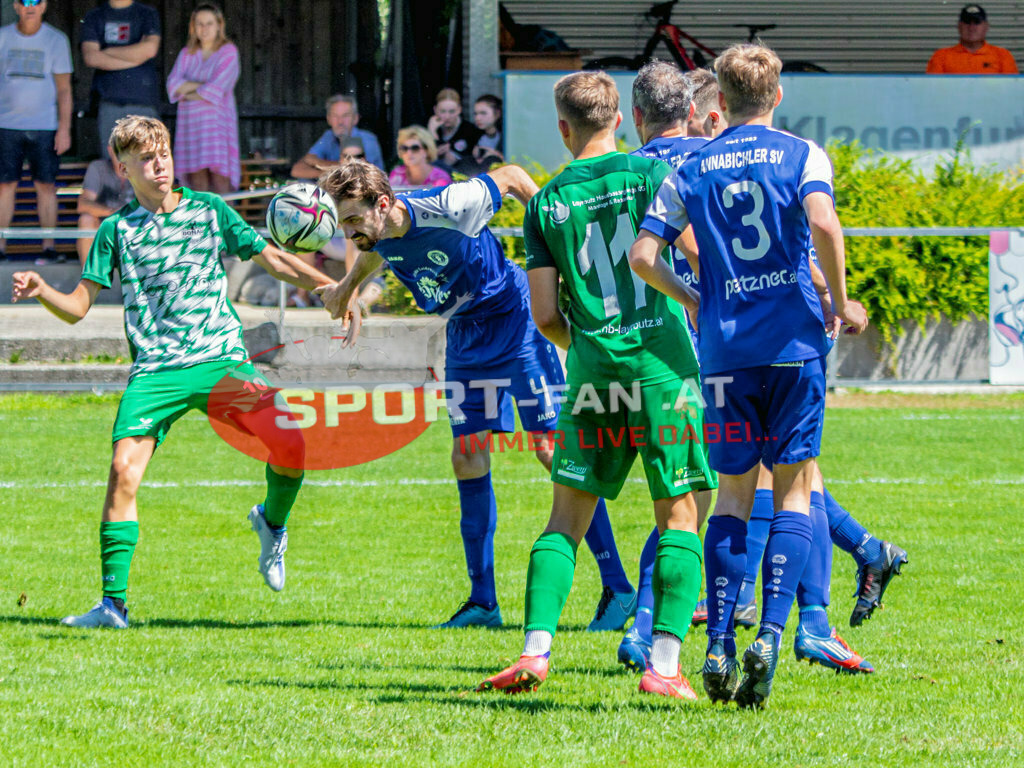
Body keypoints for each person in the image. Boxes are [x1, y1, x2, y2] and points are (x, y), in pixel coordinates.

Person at [11, 116, 346, 629]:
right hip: (157, 372)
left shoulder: (209, 210)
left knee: (292, 447)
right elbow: (79, 306)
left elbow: (273, 259)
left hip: (221, 363)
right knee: (123, 472)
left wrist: (331, 289)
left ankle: (272, 523)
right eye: (146, 158)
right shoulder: (114, 230)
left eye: (163, 152)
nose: (159, 164)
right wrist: (42, 291)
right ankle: (112, 606)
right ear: (123, 168)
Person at [629, 43, 869, 708]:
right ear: (778, 96)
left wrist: (696, 298)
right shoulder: (801, 153)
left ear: (719, 103)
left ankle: (717, 646)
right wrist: (837, 300)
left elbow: (643, 256)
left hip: (725, 353)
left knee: (731, 498)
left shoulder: (695, 164)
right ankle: (768, 632)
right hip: (794, 345)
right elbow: (822, 220)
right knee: (794, 492)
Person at [317, 160, 637, 631]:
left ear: (383, 204)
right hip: (465, 335)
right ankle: (483, 601)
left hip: (516, 322)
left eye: (352, 221)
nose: (348, 233)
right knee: (467, 456)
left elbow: (511, 177)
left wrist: (559, 249)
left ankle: (618, 588)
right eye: (343, 222)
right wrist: (347, 290)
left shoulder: (447, 204)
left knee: (551, 450)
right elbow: (376, 248)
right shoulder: (377, 231)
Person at [477, 70, 713, 700]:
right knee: (680, 514)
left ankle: (535, 650)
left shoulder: (546, 204)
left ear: (563, 128)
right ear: (621, 119)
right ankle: (663, 666)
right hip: (662, 365)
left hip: (589, 372)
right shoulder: (650, 175)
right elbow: (694, 257)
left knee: (565, 520)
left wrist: (585, 347)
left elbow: (546, 316)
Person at [615, 60, 715, 672]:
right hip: (696, 341)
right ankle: (653, 626)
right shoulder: (695, 163)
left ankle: (651, 619)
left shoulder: (626, 170)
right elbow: (696, 249)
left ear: (637, 118)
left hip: (631, 342)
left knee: (690, 495)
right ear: (695, 112)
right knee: (706, 494)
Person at [0, 0, 72, 264]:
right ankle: (0, 247)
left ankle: (49, 247)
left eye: (36, 1)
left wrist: (64, 129)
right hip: (5, 125)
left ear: (44, 6)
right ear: (16, 6)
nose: (30, 6)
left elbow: (64, 89)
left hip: (45, 125)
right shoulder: (2, 37)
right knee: (5, 186)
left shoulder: (56, 39)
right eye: (24, 1)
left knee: (46, 186)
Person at [166, 3, 241, 193]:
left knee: (220, 180)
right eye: (199, 24)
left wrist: (187, 90)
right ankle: (202, 223)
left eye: (209, 23)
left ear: (219, 25)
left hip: (217, 127)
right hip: (191, 126)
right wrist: (203, 87)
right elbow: (172, 85)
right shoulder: (187, 54)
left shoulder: (228, 52)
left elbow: (217, 88)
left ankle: (223, 223)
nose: (204, 29)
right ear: (193, 27)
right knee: (196, 182)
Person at [81, 0, 161, 155]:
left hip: (143, 103)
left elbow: (150, 49)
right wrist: (136, 59)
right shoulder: (94, 16)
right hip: (109, 103)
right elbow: (91, 57)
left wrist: (107, 50)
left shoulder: (147, 13)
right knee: (115, 166)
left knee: (146, 165)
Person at [291, 95, 384, 177]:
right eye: (335, 116)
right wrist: (330, 171)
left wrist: (319, 164)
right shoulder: (328, 136)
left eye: (345, 116)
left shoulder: (367, 139)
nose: (340, 122)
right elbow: (297, 170)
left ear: (355, 119)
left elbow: (355, 171)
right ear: (328, 119)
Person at [76, 145, 134, 265]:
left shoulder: (144, 169)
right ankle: (89, 279)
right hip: (104, 231)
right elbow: (83, 204)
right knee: (86, 220)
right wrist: (114, 213)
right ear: (109, 150)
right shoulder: (98, 168)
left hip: (134, 230)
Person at [926, 4, 1018, 74]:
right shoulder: (941, 56)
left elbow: (1012, 91)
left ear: (986, 26)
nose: (971, 27)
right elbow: (932, 91)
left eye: (977, 22)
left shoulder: (1003, 56)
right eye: (967, 22)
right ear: (959, 26)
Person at [426, 88, 481, 173]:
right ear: (435, 110)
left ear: (459, 110)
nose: (447, 116)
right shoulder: (429, 128)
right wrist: (432, 132)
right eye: (442, 111)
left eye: (452, 111)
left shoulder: (470, 130)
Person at [466, 94, 504, 175]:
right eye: (475, 114)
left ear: (497, 114)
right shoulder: (473, 134)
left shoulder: (506, 136)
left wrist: (498, 156)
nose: (478, 118)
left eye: (483, 113)